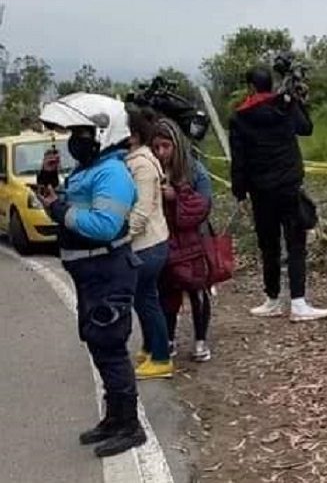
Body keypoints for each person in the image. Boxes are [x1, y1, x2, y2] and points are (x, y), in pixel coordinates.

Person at [37, 92, 146, 457]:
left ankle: (130, 426)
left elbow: (103, 225)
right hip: (91, 273)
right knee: (99, 345)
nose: (76, 140)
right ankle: (114, 417)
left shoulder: (112, 172)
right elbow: (66, 203)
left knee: (110, 346)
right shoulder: (90, 170)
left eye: (84, 133)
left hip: (107, 271)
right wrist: (49, 180)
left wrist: (59, 207)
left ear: (104, 132)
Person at [229, 66, 327, 322]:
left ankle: (272, 299)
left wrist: (239, 192)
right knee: (296, 243)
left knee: (268, 245)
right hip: (288, 185)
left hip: (260, 189)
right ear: (270, 84)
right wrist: (297, 101)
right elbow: (306, 128)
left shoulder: (240, 117)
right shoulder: (283, 107)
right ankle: (298, 302)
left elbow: (238, 160)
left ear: (251, 86)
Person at [152, 117, 214, 362]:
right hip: (164, 239)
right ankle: (168, 338)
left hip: (193, 240)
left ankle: (200, 340)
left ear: (176, 145)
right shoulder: (151, 168)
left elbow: (204, 204)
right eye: (156, 147)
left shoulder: (194, 169)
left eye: (165, 146)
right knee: (166, 292)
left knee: (197, 288)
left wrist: (176, 196)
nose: (161, 152)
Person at [125, 108, 173, 379]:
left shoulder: (141, 164)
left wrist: (122, 237)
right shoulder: (134, 159)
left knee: (147, 300)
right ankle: (150, 347)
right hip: (147, 243)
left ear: (133, 135)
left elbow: (142, 211)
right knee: (144, 299)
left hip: (147, 244)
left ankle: (161, 357)